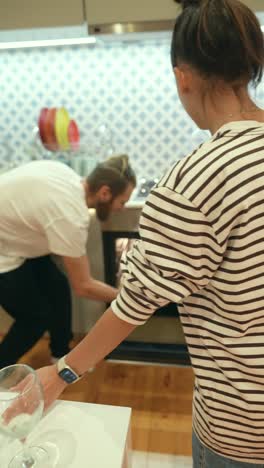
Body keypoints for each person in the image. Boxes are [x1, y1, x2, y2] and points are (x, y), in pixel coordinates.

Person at [33, 0, 264, 465]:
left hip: (242, 423)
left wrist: (61, 372)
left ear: (183, 77)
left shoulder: (195, 178)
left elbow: (135, 303)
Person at [0, 154, 136, 368]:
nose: (121, 208)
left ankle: (60, 354)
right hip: (3, 253)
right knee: (35, 319)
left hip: (13, 237)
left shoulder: (64, 174)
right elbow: (84, 286)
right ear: (105, 193)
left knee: (58, 287)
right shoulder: (71, 217)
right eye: (122, 202)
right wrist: (130, 298)